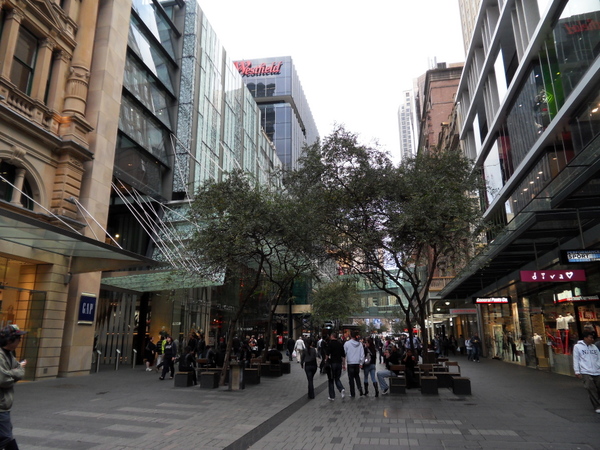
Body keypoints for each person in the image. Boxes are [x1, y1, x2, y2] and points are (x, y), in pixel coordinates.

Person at [0, 324, 27, 449]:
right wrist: (16, 372)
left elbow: (20, 371)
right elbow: (4, 379)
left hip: (4, 406)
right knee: (6, 437)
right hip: (0, 407)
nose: (20, 341)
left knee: (5, 436)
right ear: (10, 340)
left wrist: (14, 372)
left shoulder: (9, 355)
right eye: (18, 338)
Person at [573, 330, 600, 413]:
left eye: (593, 338)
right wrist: (577, 371)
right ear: (585, 338)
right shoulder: (577, 347)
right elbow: (576, 358)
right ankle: (597, 406)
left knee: (598, 388)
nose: (592, 340)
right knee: (590, 387)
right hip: (586, 371)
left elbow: (598, 358)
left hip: (597, 370)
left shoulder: (594, 347)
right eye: (590, 338)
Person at [324, 332, 346, 401]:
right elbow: (343, 356)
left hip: (332, 363)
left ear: (332, 336)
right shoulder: (340, 344)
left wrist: (325, 361)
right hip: (339, 363)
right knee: (337, 378)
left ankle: (332, 396)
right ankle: (341, 388)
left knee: (331, 380)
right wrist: (343, 364)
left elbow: (327, 354)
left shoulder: (330, 344)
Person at [343, 331, 364, 397]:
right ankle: (360, 388)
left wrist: (343, 363)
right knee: (357, 376)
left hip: (350, 363)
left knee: (351, 379)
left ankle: (352, 393)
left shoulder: (347, 343)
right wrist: (361, 363)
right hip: (357, 363)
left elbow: (344, 353)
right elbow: (362, 354)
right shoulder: (360, 344)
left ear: (350, 336)